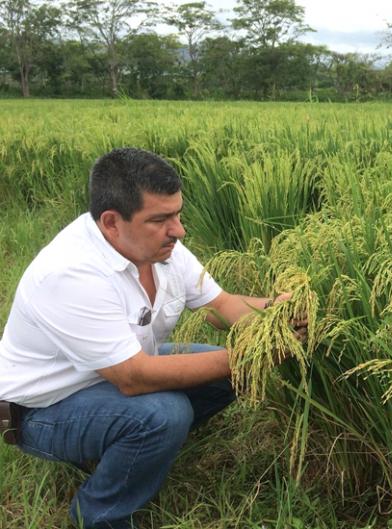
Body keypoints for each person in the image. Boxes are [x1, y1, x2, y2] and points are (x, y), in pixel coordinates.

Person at [0, 148, 305, 529]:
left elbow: (220, 306)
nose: (179, 229)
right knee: (164, 414)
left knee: (220, 373)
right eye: (161, 219)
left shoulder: (161, 247)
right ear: (111, 222)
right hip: (44, 411)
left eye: (177, 214)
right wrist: (252, 354)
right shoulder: (70, 273)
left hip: (109, 376)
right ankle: (98, 515)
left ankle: (129, 450)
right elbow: (134, 377)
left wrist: (276, 312)